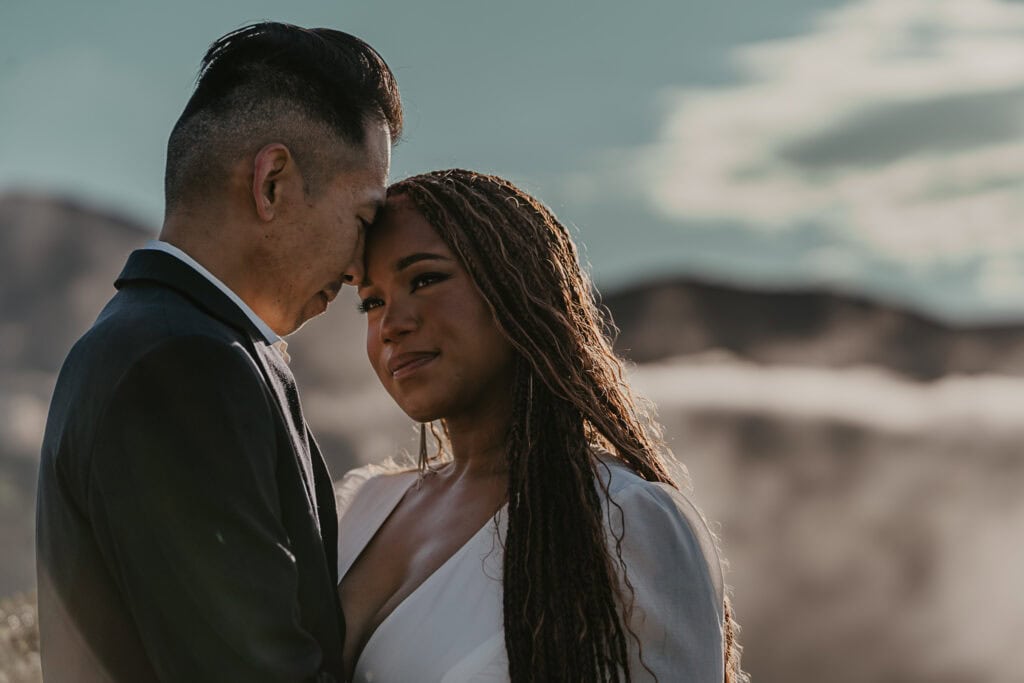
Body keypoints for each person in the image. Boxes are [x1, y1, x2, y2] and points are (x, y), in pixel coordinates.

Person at [36, 22, 402, 682]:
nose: (359, 269)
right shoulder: (180, 364)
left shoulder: (161, 340)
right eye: (364, 220)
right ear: (272, 183)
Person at [337, 169, 746, 682]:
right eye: (371, 302)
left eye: (425, 279)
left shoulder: (626, 519)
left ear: (515, 289)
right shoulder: (362, 508)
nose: (392, 323)